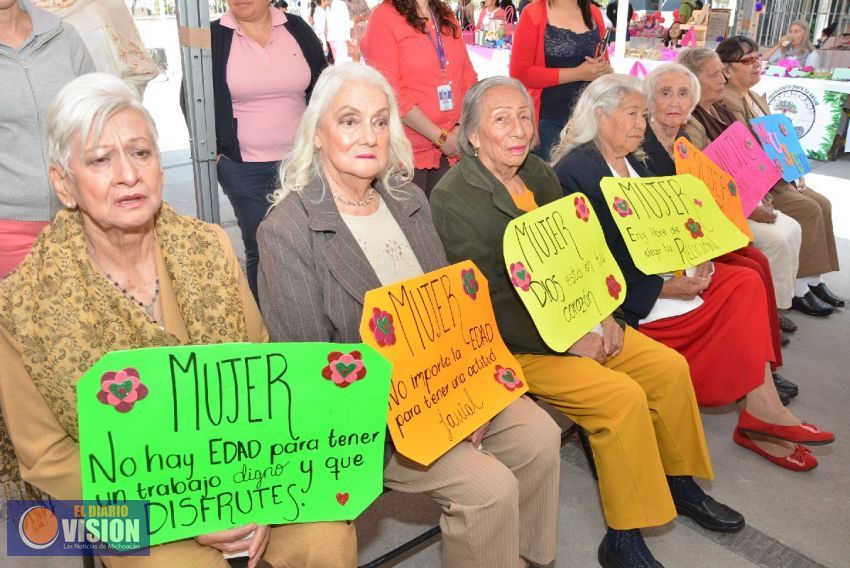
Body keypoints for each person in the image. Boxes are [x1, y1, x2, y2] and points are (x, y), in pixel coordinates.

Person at [0, 72, 356, 568]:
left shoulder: (207, 248)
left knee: (326, 538)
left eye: (141, 153)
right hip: (120, 504)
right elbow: (45, 457)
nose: (129, 174)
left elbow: (261, 372)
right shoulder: (24, 304)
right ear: (64, 184)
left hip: (240, 474)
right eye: (101, 159)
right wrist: (181, 508)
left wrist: (259, 491)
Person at [431, 76, 743, 568]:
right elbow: (486, 303)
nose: (517, 129)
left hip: (581, 314)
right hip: (519, 343)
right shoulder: (453, 199)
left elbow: (584, 248)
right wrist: (570, 339)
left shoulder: (536, 171)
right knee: (621, 400)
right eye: (500, 119)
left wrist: (607, 312)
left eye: (523, 117)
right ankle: (622, 538)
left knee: (667, 369)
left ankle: (679, 483)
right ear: (472, 135)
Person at [257, 63, 561, 568]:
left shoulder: (407, 200)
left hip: (452, 383)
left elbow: (454, 313)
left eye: (380, 122)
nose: (369, 136)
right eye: (350, 121)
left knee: (540, 435)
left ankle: (525, 556)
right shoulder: (288, 230)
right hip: (373, 420)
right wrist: (439, 415)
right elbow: (312, 371)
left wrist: (467, 397)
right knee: (487, 487)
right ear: (317, 135)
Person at [551, 74, 834, 474]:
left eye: (642, 115)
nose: (641, 125)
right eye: (633, 114)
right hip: (631, 299)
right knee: (741, 288)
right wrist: (665, 286)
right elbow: (590, 261)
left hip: (664, 276)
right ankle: (760, 414)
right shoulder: (574, 173)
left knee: (745, 279)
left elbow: (671, 222)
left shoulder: (634, 159)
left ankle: (761, 408)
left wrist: (697, 254)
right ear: (600, 115)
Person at [643, 62, 799, 403]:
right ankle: (756, 380)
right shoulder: (641, 148)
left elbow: (703, 199)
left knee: (755, 260)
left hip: (692, 241)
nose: (674, 102)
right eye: (665, 93)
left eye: (683, 94)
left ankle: (764, 371)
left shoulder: (682, 143)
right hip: (671, 252)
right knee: (748, 272)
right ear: (649, 101)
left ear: (691, 102)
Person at [676, 48, 808, 328]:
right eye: (715, 74)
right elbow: (703, 182)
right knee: (776, 239)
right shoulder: (692, 123)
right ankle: (770, 312)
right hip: (724, 208)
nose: (724, 78)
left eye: (722, 72)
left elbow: (750, 160)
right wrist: (749, 208)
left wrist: (761, 196)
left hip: (746, 200)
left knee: (792, 228)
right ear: (695, 80)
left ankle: (775, 307)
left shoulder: (722, 108)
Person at [714, 38, 845, 314]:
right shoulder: (727, 100)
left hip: (778, 173)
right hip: (763, 182)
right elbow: (747, 150)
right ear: (727, 70)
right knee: (809, 209)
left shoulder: (751, 95)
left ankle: (812, 279)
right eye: (747, 60)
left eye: (757, 57)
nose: (756, 64)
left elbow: (777, 138)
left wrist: (795, 170)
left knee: (823, 203)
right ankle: (798, 288)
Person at [209, 0, 326, 301]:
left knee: (314, 241)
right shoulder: (213, 36)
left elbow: (324, 86)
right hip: (244, 168)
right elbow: (193, 99)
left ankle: (314, 320)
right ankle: (269, 332)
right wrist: (218, 153)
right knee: (261, 247)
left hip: (304, 163)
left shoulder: (296, 28)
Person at [0, 0, 94, 278]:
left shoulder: (63, 36)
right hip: (9, 227)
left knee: (94, 318)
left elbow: (98, 116)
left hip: (84, 217)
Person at [361, 0, 478, 195]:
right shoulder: (384, 17)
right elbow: (391, 91)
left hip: (454, 145)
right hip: (407, 155)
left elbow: (467, 76)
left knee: (446, 221)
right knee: (412, 222)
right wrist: (441, 138)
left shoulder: (445, 14)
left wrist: (459, 128)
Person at [510, 0, 610, 160]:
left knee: (586, 180)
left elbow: (604, 63)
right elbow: (520, 72)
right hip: (549, 121)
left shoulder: (594, 13)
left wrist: (604, 71)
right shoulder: (534, 13)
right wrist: (578, 73)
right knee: (553, 180)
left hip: (590, 118)